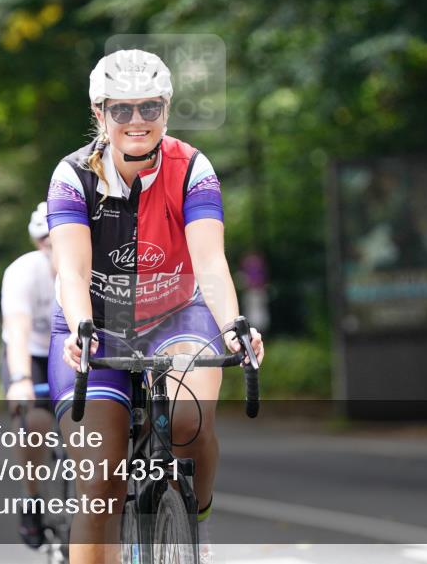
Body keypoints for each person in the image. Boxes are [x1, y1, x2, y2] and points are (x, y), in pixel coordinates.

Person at [46, 49, 265, 564]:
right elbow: (72, 272)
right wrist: (82, 327)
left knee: (189, 421)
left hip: (177, 314)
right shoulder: (72, 175)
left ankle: (196, 521)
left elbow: (210, 263)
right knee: (101, 480)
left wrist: (234, 326)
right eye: (121, 109)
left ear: (166, 109)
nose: (136, 120)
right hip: (97, 325)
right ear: (99, 113)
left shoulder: (192, 166)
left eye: (149, 107)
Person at [0, 202, 58, 548]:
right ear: (39, 244)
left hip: (73, 353)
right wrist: (21, 379)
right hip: (31, 355)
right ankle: (32, 496)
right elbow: (18, 330)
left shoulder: (91, 267)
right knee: (34, 419)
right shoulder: (23, 272)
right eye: (49, 241)